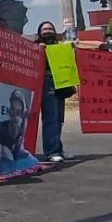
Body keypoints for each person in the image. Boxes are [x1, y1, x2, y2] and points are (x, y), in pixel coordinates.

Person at [35, 21, 71, 162]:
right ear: (39, 33)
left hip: (61, 82)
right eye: (44, 29)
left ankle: (58, 149)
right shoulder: (36, 46)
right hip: (46, 82)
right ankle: (51, 151)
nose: (48, 31)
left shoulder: (59, 46)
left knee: (59, 119)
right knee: (50, 118)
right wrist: (38, 50)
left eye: (50, 28)